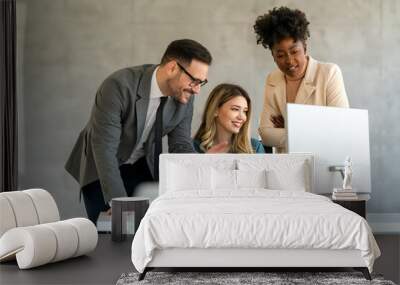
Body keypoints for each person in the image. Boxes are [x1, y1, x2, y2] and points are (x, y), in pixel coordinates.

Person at [65, 39, 213, 224]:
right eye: (194, 81)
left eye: (202, 82)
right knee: (111, 230)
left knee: (144, 227)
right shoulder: (118, 86)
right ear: (173, 67)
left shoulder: (184, 95)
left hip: (141, 164)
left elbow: (180, 145)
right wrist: (118, 201)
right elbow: (104, 148)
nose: (198, 90)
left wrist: (203, 166)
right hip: (101, 166)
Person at [254, 7, 350, 152]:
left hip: (321, 162)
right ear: (273, 56)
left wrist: (287, 127)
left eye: (294, 51)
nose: (289, 60)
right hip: (285, 166)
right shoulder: (273, 79)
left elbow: (340, 127)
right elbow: (266, 134)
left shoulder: (329, 73)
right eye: (280, 55)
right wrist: (309, 130)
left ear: (305, 47)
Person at [193, 83, 264, 153]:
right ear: (215, 110)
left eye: (245, 111)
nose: (242, 117)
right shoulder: (192, 147)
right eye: (235, 109)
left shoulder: (255, 148)